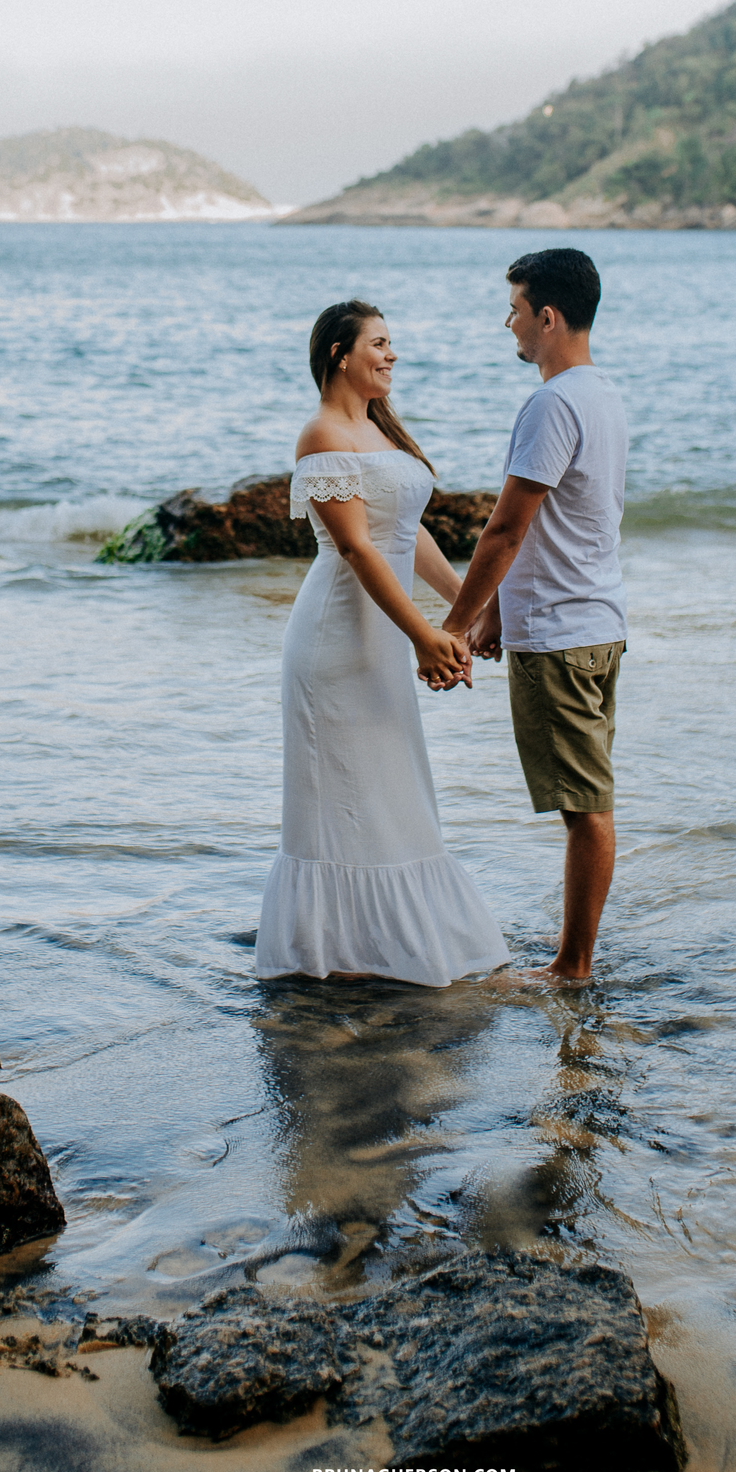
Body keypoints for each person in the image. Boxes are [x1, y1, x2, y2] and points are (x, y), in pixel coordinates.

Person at [255, 299, 508, 987]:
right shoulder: (322, 434)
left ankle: (386, 946)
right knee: (341, 794)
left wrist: (465, 608)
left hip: (384, 638)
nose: (392, 355)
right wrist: (424, 635)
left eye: (392, 344)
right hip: (337, 641)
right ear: (340, 353)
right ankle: (333, 951)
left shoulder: (379, 432)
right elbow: (358, 550)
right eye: (380, 343)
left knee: (396, 787)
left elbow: (409, 534)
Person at [441, 248, 628, 984]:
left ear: (547, 317)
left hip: (563, 634)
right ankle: (573, 957)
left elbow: (506, 529)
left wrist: (455, 624)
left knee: (584, 807)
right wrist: (496, 618)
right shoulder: (601, 393)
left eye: (515, 310)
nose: (508, 323)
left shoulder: (552, 404)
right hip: (593, 623)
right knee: (588, 800)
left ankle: (571, 967)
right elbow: (571, 524)